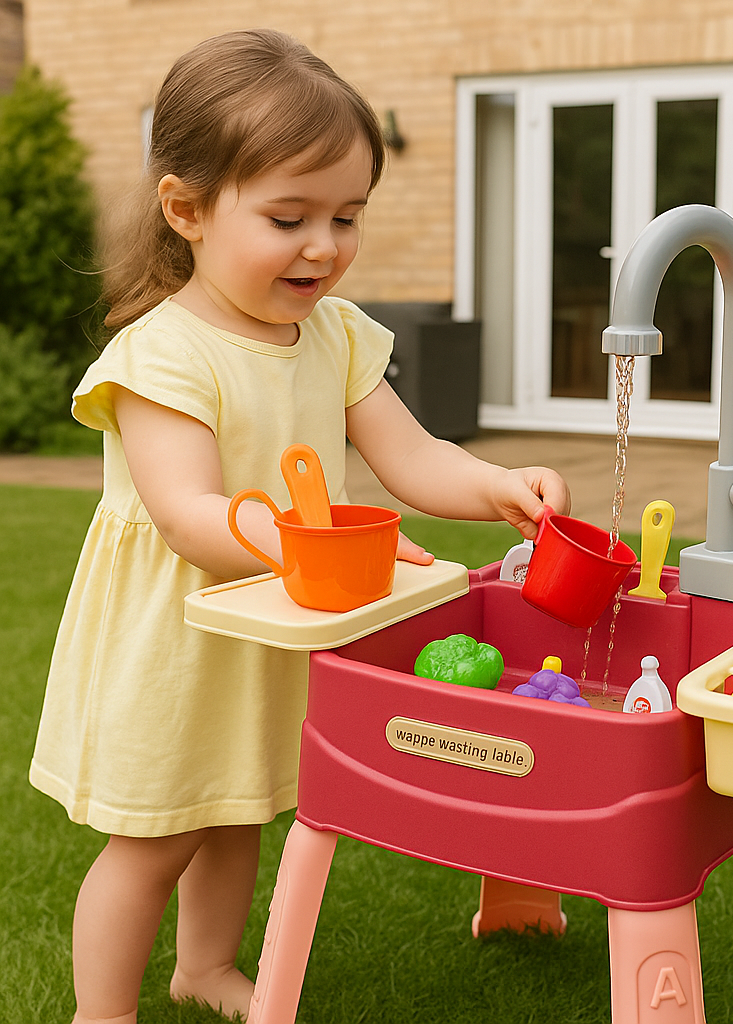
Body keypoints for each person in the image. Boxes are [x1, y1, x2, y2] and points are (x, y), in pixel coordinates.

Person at [29, 28, 570, 1024]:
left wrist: (494, 481)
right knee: (155, 838)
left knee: (239, 806)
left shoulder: (335, 336)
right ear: (186, 209)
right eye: (289, 216)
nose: (324, 245)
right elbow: (189, 514)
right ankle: (98, 1012)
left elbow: (410, 458)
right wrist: (310, 543)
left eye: (346, 216)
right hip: (179, 634)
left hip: (273, 619)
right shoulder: (162, 357)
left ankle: (203, 966)